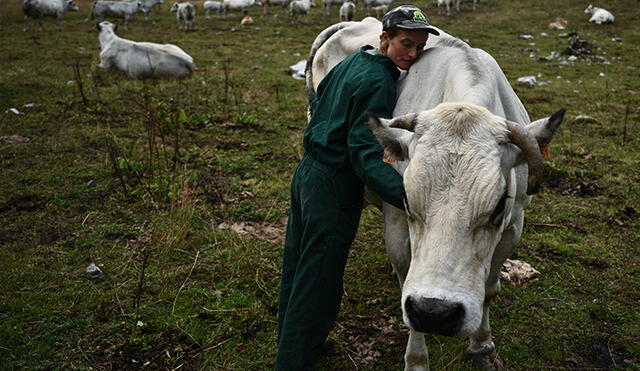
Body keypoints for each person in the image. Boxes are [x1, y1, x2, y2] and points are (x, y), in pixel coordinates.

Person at [276, 5, 439, 370]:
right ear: (384, 38)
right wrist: (406, 196)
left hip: (307, 172)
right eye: (405, 44)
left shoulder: (352, 61)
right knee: (320, 277)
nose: (412, 55)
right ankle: (292, 360)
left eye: (419, 48)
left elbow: (319, 102)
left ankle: (303, 340)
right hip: (334, 185)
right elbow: (364, 152)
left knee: (298, 264)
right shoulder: (381, 82)